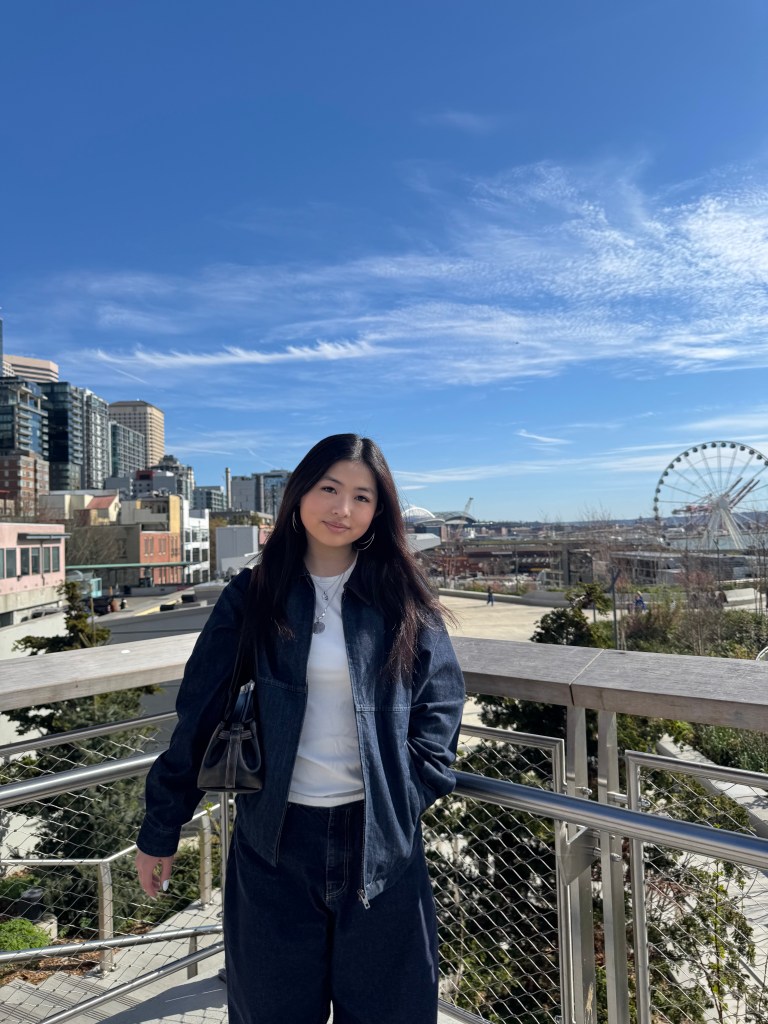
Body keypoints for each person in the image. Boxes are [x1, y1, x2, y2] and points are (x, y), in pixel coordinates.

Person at [135, 434, 466, 1024]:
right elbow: (201, 708)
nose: (343, 509)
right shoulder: (256, 593)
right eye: (329, 489)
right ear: (299, 495)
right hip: (274, 846)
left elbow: (441, 701)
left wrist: (412, 788)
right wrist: (162, 825)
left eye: (362, 497)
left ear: (379, 511)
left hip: (381, 847)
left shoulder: (400, 596)